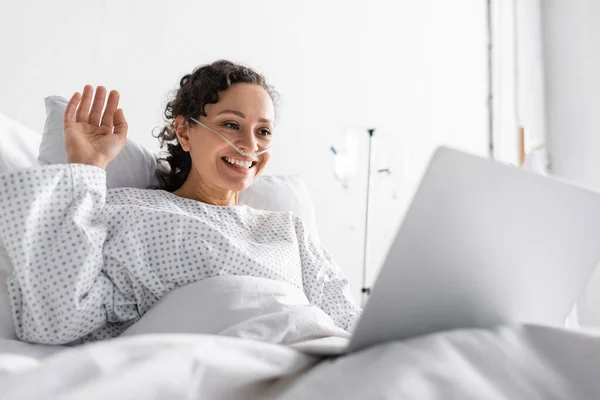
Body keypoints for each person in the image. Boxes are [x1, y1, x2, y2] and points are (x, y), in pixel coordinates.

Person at [0, 60, 361, 345]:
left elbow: (350, 323)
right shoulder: (131, 212)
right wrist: (86, 166)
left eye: (263, 131)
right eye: (232, 124)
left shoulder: (288, 230)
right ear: (185, 131)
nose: (250, 144)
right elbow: (55, 320)